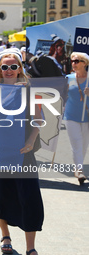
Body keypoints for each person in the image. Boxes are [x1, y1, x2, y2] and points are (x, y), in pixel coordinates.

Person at [0, 49, 44, 255]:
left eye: (13, 66)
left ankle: (31, 248)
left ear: (20, 68)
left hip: (23, 153)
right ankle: (5, 236)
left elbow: (38, 121)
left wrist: (31, 140)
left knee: (29, 198)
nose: (9, 70)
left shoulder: (31, 91)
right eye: (5, 67)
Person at [64, 52, 89, 185]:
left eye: (77, 61)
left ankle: (77, 167)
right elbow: (62, 95)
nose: (73, 63)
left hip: (87, 117)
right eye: (72, 61)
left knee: (84, 145)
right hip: (71, 116)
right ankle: (79, 170)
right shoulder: (68, 78)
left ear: (84, 63)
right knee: (77, 143)